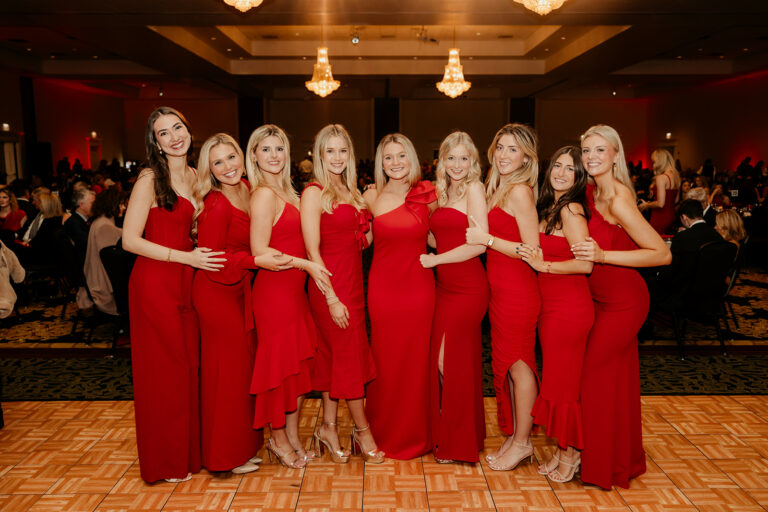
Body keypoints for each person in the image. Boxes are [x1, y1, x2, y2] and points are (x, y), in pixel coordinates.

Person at [122, 106, 226, 483]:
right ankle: (165, 460)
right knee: (163, 376)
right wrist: (185, 256)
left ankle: (187, 454)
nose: (174, 136)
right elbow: (129, 240)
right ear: (156, 143)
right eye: (164, 133)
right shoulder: (150, 178)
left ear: (188, 130)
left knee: (187, 370)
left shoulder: (198, 175)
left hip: (188, 281)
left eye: (177, 127)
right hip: (155, 283)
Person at [571, 124, 671, 489]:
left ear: (616, 154)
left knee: (592, 377)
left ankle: (600, 465)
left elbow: (662, 253)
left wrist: (602, 255)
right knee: (616, 382)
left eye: (600, 150)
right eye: (587, 151)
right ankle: (617, 460)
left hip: (625, 302)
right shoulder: (589, 192)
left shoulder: (619, 199)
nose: (592, 157)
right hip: (598, 299)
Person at [191, 133, 284, 474]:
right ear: (210, 169)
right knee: (225, 377)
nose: (227, 167)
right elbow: (215, 260)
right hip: (217, 292)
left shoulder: (246, 188)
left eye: (231, 158)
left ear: (242, 156)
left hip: (239, 289)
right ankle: (222, 457)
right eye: (218, 162)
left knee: (240, 374)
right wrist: (255, 261)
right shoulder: (215, 203)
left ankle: (243, 447)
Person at [246, 124, 330, 469]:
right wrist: (307, 265)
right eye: (265, 149)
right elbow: (259, 250)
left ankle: (292, 436)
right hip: (274, 293)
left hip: (294, 293)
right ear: (255, 156)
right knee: (278, 370)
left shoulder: (291, 193)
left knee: (294, 371)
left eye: (279, 148)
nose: (274, 155)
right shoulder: (264, 194)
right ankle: (278, 439)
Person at [300, 124, 382, 464]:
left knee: (336, 358)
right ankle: (363, 432)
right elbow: (311, 251)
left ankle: (328, 428)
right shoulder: (313, 192)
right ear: (320, 155)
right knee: (347, 357)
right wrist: (331, 297)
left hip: (353, 284)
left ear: (350, 154)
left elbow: (364, 241)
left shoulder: (352, 191)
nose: (337, 157)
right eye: (329, 151)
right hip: (328, 286)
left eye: (342, 150)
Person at [465, 123, 540, 471]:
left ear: (526, 156)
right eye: (501, 148)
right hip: (500, 291)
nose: (505, 155)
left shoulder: (520, 192)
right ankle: (514, 436)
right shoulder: (499, 189)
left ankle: (523, 442)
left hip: (519, 290)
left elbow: (532, 250)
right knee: (508, 366)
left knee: (520, 365)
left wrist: (488, 240)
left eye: (513, 149)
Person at [517, 146, 594, 482]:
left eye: (571, 169)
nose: (562, 174)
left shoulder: (572, 210)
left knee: (564, 387)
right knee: (559, 383)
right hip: (552, 309)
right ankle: (566, 449)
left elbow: (585, 264)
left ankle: (571, 455)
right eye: (558, 166)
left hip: (569, 309)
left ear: (579, 177)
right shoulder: (550, 206)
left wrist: (542, 265)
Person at [363, 133, 437, 460]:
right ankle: (381, 432)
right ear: (381, 163)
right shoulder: (370, 195)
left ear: (412, 158)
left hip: (419, 289)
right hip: (382, 290)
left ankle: (417, 434)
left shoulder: (427, 193)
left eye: (400, 156)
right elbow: (360, 240)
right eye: (388, 157)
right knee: (385, 361)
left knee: (417, 362)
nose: (395, 163)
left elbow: (438, 239)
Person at [418, 131, 487, 463]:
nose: (457, 164)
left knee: (450, 361)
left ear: (472, 161)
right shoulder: (443, 192)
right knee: (444, 362)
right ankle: (457, 433)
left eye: (464, 158)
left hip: (469, 287)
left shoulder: (474, 189)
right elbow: (437, 239)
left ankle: (458, 441)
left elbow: (478, 242)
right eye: (451, 158)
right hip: (444, 289)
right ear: (441, 160)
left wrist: (437, 260)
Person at [83, 188, 125, 315]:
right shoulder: (105, 226)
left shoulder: (100, 222)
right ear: (112, 205)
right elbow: (114, 266)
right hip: (103, 286)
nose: (124, 207)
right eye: (121, 204)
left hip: (96, 279)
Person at [639, 149, 680, 235]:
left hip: (660, 217)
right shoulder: (676, 176)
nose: (653, 165)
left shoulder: (661, 178)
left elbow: (660, 204)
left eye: (654, 162)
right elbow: (676, 200)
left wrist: (646, 204)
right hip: (672, 216)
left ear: (659, 162)